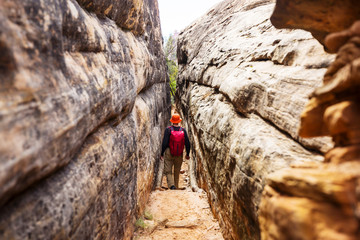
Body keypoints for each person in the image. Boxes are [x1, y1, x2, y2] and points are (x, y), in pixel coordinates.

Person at [160, 113, 190, 190]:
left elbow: (165, 142)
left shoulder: (168, 130)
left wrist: (162, 153)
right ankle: (176, 186)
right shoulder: (183, 130)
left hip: (169, 151)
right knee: (177, 171)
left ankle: (171, 185)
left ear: (172, 121)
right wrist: (187, 153)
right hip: (179, 153)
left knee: (168, 170)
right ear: (179, 121)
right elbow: (187, 143)